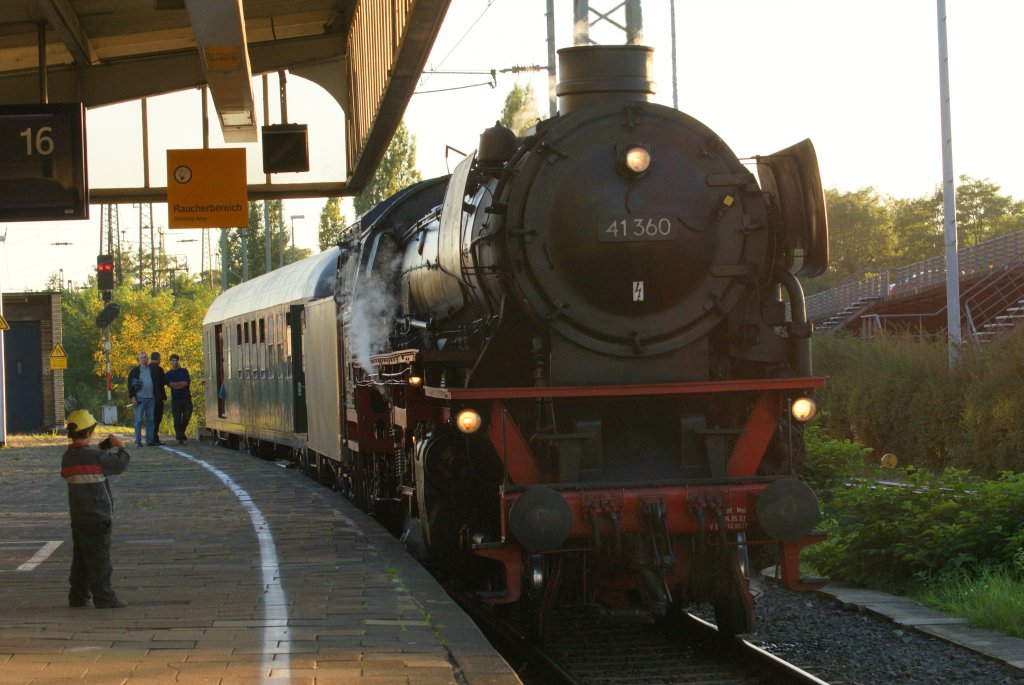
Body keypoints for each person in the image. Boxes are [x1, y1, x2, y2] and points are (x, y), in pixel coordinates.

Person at [61, 409, 130, 608]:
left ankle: (78, 596)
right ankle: (104, 597)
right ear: (88, 433)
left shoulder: (68, 458)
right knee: (100, 559)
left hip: (79, 517)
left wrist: (103, 449)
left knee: (81, 559)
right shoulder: (95, 458)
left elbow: (86, 459)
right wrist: (120, 447)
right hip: (98, 516)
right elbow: (120, 465)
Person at [127, 351, 156, 446]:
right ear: (139, 360)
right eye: (142, 358)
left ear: (147, 359)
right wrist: (133, 397)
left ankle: (150, 440)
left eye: (145, 357)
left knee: (151, 420)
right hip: (140, 398)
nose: (144, 359)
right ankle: (138, 441)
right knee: (138, 420)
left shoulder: (152, 369)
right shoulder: (135, 371)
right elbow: (131, 385)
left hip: (151, 398)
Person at [164, 353, 193, 445]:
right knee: (177, 419)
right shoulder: (168, 374)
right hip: (176, 398)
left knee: (187, 416)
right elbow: (170, 385)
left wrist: (176, 385)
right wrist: (180, 384)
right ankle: (179, 437)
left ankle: (181, 432)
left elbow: (186, 382)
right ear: (170, 362)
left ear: (178, 361)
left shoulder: (184, 371)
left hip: (186, 397)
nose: (175, 362)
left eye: (176, 360)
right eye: (173, 360)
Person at [148, 352, 167, 445]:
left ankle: (151, 437)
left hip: (148, 397)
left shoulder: (146, 369)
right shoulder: (159, 369)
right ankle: (155, 438)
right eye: (160, 358)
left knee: (151, 418)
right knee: (157, 418)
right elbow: (163, 381)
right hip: (158, 397)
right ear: (158, 358)